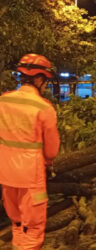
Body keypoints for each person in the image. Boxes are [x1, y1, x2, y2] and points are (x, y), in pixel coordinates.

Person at [0, 53, 60, 249]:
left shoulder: (3, 101)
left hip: (6, 173)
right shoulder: (44, 107)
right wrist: (48, 162)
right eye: (45, 81)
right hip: (31, 176)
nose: (45, 86)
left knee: (16, 222)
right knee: (32, 227)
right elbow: (51, 150)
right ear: (39, 78)